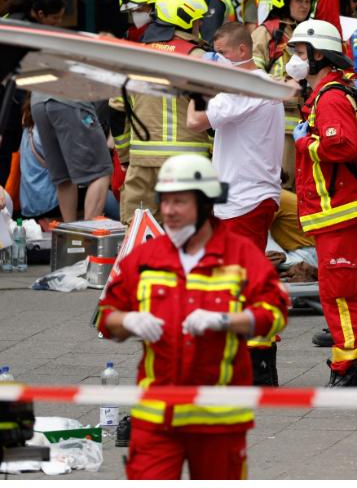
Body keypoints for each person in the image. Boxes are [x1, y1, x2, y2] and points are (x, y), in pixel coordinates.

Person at [94, 153, 287, 479]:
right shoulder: (144, 258)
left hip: (218, 421)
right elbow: (106, 317)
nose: (168, 211)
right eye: (164, 201)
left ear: (204, 204)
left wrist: (225, 321)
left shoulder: (240, 255)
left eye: (179, 202)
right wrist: (127, 322)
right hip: (157, 418)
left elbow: (275, 312)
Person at [182, 22, 286, 386]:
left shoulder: (242, 86)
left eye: (222, 53)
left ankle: (257, 367)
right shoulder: (256, 85)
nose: (217, 59)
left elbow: (195, 122)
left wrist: (194, 89)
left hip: (244, 198)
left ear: (243, 51)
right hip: (246, 196)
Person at [288, 18, 357, 386]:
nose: (294, 59)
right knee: (346, 292)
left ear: (318, 56)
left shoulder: (330, 96)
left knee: (339, 293)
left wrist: (304, 143)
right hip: (339, 211)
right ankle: (353, 363)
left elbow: (343, 145)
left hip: (340, 212)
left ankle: (347, 371)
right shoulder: (326, 94)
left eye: (299, 52)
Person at [114, 0, 215, 223]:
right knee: (187, 235)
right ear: (186, 19)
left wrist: (125, 156)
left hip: (142, 165)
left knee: (138, 235)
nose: (199, 27)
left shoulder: (135, 56)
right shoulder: (198, 59)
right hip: (189, 164)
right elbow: (212, 115)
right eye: (198, 22)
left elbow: (117, 110)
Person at [24, 0, 114, 222]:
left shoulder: (80, 46)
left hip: (39, 100)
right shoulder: (109, 56)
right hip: (68, 98)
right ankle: (86, 238)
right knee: (101, 171)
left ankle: (69, 236)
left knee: (62, 176)